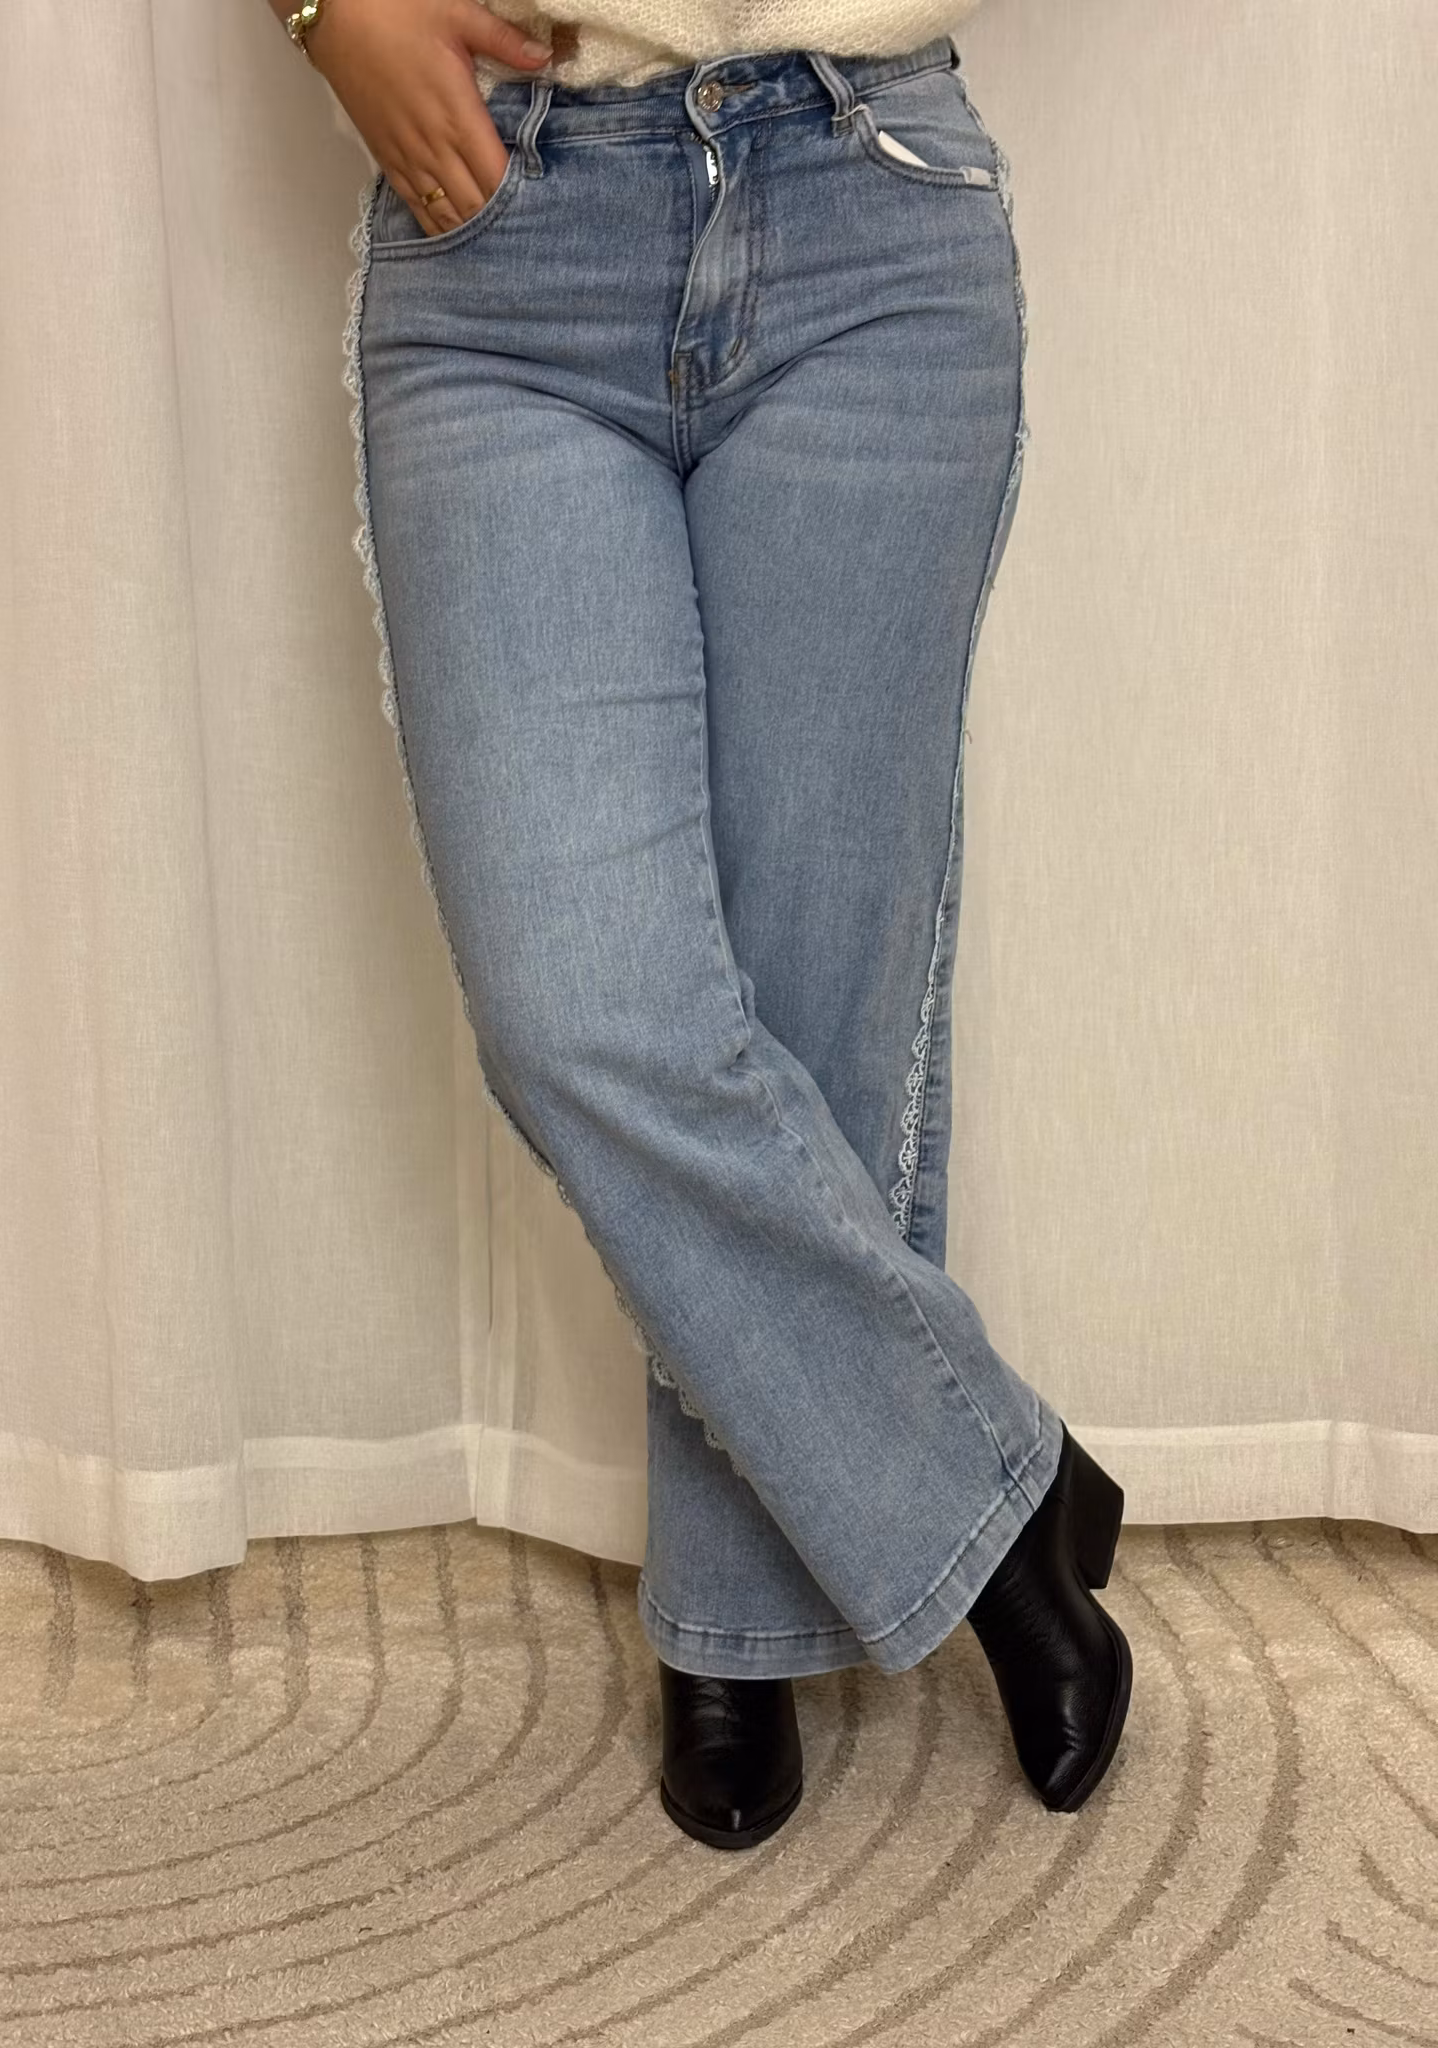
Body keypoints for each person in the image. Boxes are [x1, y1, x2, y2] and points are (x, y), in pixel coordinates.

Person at [269, 0, 1134, 1850]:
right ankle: (1003, 1498)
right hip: (506, 230)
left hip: (870, 198)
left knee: (814, 996)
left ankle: (738, 1624)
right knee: (580, 1003)